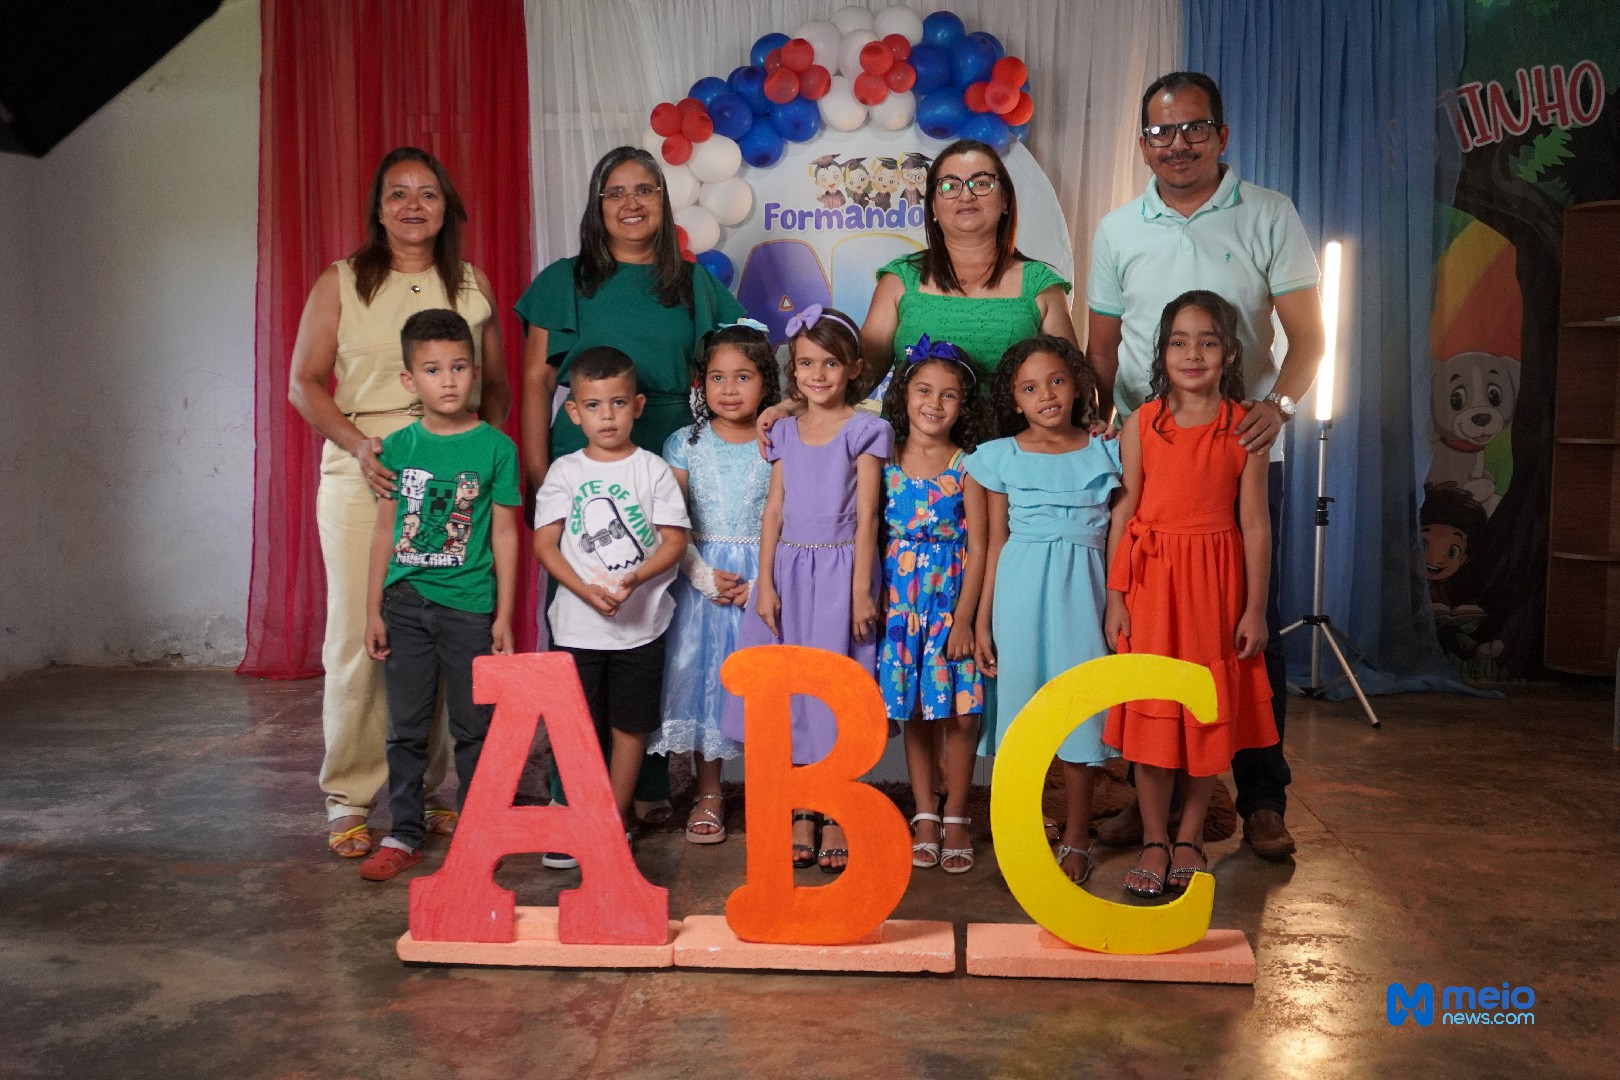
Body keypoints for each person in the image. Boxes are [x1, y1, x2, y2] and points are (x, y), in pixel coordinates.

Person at [1086, 71, 1323, 860]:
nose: (1177, 144)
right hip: (1147, 456)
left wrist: (1277, 409)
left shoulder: (1269, 214)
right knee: (1146, 639)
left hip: (1236, 454)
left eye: (1193, 129)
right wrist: (1105, 428)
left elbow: (1308, 337)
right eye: (1160, 132)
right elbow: (1101, 346)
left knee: (1249, 629)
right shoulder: (1120, 228)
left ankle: (1260, 798)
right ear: (1142, 144)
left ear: (1222, 135)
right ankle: (1140, 804)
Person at [288, 146, 509, 859]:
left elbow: (496, 387)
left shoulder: (469, 284)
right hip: (372, 471)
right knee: (362, 635)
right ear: (377, 208)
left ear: (447, 207)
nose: (414, 206)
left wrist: (484, 460)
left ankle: (425, 792)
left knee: (446, 630)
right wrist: (358, 447)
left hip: (456, 473)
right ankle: (349, 795)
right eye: (397, 194)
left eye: (428, 194)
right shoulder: (343, 282)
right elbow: (306, 383)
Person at [516, 145, 744, 823]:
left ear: (663, 202)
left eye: (645, 189)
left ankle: (642, 787)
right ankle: (572, 795)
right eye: (615, 192)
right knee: (585, 629)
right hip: (579, 461)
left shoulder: (692, 284)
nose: (632, 203)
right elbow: (534, 383)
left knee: (656, 623)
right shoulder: (566, 280)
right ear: (597, 205)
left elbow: (745, 354)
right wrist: (537, 476)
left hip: (669, 454)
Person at [1103, 291, 1277, 896]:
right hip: (1152, 583)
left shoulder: (1246, 426)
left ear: (1229, 351)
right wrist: (1116, 594)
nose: (1193, 353)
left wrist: (1254, 607)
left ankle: (1191, 835)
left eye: (1207, 341)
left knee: (1205, 709)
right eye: (1179, 341)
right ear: (1162, 351)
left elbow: (1255, 521)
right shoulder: (1141, 422)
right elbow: (1125, 511)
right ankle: (1154, 835)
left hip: (1215, 582)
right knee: (1153, 710)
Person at [721, 306, 893, 874]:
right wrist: (763, 583)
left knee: (838, 689)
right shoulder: (785, 430)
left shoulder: (869, 429)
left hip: (842, 572)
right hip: (790, 573)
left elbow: (868, 517)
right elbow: (772, 513)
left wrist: (862, 591)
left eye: (828, 364)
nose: (816, 375)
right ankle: (801, 808)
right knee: (789, 694)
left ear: (852, 368)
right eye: (804, 365)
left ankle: (839, 807)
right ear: (792, 371)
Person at [356, 310, 521, 881]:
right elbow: (384, 530)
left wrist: (503, 614)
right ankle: (404, 832)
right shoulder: (395, 448)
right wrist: (373, 607)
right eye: (432, 369)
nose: (447, 381)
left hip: (470, 607)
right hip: (404, 607)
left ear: (475, 373)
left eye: (458, 368)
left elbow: (504, 532)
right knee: (406, 728)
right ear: (410, 380)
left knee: (475, 727)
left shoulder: (497, 448)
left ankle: (482, 828)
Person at [967, 336, 1121, 886]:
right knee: (1020, 720)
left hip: (1086, 593)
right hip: (1017, 594)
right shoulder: (997, 457)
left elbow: (1122, 537)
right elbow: (991, 545)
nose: (1046, 395)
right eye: (1030, 388)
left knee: (1079, 714)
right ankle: (1022, 832)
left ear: (1077, 384)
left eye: (1056, 380)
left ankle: (1078, 837)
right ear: (1013, 400)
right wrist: (982, 622)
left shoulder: (1107, 451)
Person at [532, 347, 690, 844]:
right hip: (578, 627)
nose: (608, 416)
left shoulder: (653, 470)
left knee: (629, 727)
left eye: (618, 403)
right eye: (594, 406)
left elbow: (675, 541)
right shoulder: (565, 472)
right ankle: (577, 816)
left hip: (640, 627)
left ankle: (609, 823)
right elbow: (544, 542)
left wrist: (635, 580)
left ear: (638, 406)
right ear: (574, 411)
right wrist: (581, 590)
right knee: (578, 726)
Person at [647, 322, 781, 844]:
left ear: (766, 383)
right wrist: (698, 573)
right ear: (701, 384)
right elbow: (669, 518)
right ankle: (709, 791)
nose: (729, 389)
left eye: (743, 377)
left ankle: (773, 790)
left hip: (762, 579)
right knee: (709, 687)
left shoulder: (779, 439)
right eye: (717, 377)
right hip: (701, 578)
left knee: (764, 687)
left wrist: (766, 582)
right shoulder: (684, 442)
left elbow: (791, 515)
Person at [878, 336, 988, 874]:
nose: (934, 404)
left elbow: (984, 545)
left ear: (963, 405)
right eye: (924, 390)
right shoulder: (883, 457)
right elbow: (871, 533)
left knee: (963, 715)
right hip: (902, 610)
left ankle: (958, 814)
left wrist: (966, 619)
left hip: (951, 606)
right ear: (905, 394)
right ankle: (925, 813)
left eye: (948, 395)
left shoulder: (970, 465)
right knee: (919, 713)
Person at [860, 138, 1078, 385]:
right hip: (908, 425)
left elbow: (1076, 386)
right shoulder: (900, 279)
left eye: (982, 183)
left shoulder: (1041, 285)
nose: (966, 195)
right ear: (932, 206)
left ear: (1005, 200)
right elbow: (858, 379)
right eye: (950, 186)